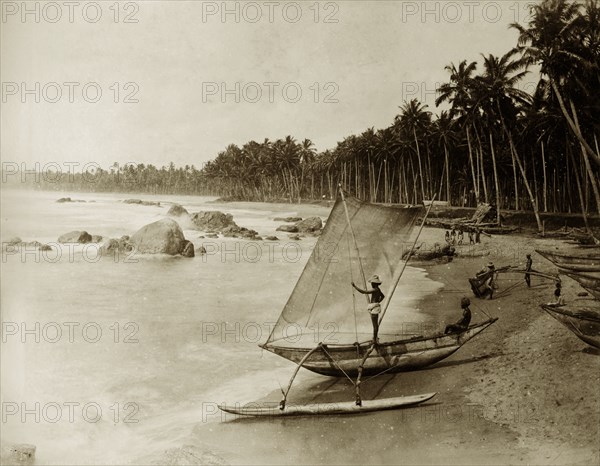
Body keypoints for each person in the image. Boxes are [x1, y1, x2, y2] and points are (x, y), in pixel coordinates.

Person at [352, 275, 384, 343]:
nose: (371, 284)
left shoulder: (375, 289)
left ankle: (374, 340)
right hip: (375, 307)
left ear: (375, 283)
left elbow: (364, 292)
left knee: (375, 325)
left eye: (372, 283)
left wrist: (355, 286)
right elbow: (383, 296)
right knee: (375, 325)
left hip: (374, 308)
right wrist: (378, 302)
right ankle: (375, 338)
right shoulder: (378, 289)